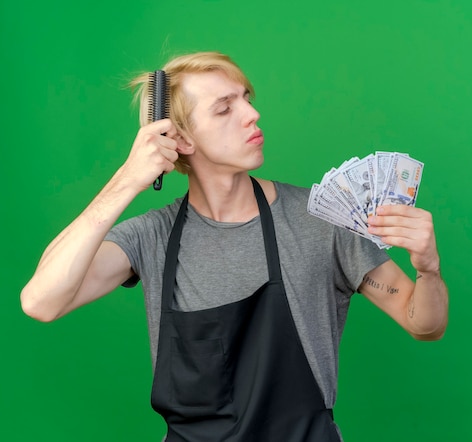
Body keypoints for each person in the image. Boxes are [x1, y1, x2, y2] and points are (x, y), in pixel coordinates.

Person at [21, 51, 448, 441]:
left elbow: (423, 323)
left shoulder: (320, 220)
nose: (252, 114)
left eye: (245, 98)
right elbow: (42, 302)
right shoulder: (151, 237)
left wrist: (428, 269)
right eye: (225, 108)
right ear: (182, 141)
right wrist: (127, 180)